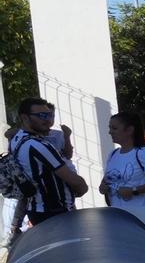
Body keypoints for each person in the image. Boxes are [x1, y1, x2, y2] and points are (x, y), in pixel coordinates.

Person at [6, 97, 87, 228]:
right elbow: (74, 181)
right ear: (25, 118)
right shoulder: (38, 145)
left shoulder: (16, 139)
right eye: (41, 115)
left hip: (36, 210)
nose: (47, 119)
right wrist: (82, 187)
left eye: (49, 115)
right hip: (56, 213)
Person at [100, 112, 145, 216]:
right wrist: (103, 187)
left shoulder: (142, 153)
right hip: (120, 215)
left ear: (130, 130)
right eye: (110, 128)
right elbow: (107, 180)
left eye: (114, 128)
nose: (110, 132)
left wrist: (134, 191)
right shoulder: (113, 154)